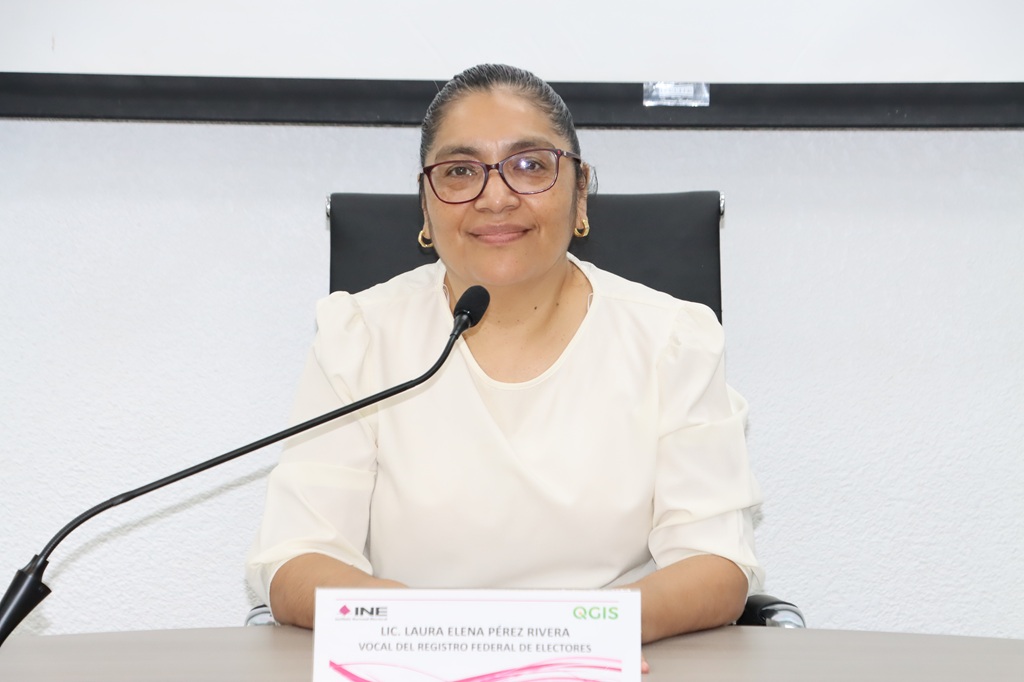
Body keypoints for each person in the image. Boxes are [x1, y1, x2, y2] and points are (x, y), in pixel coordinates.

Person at [246, 64, 763, 645]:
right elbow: (295, 560)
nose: (495, 197)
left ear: (581, 192)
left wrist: (567, 638)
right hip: (416, 661)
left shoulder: (671, 340)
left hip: (609, 658)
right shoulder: (361, 337)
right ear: (425, 204)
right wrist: (446, 639)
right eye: (461, 171)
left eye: (530, 166)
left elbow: (716, 564)